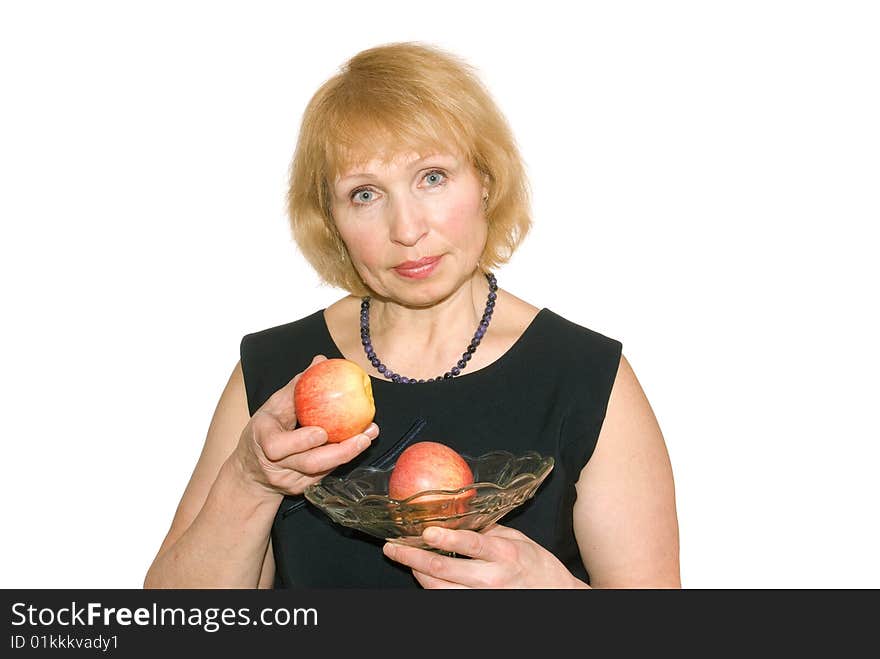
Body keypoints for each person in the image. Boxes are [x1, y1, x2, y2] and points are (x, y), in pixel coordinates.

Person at [143, 41, 680, 589]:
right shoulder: (276, 377)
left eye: (432, 177)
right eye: (365, 194)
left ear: (486, 181)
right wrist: (249, 481)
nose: (406, 229)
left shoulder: (586, 376)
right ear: (332, 221)